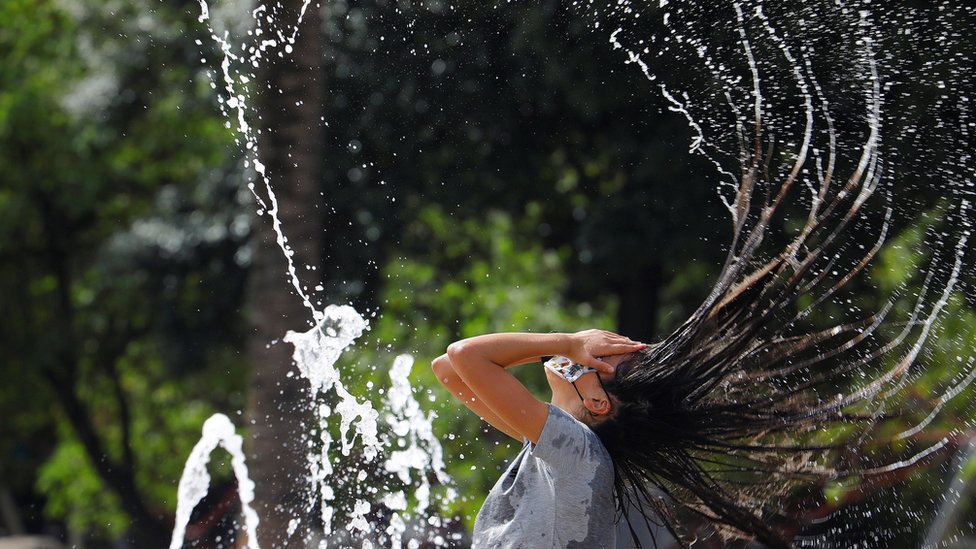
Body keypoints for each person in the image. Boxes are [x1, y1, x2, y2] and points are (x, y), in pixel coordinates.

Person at [432, 330, 645, 549]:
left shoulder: (578, 448)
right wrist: (557, 351)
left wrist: (568, 344)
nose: (584, 354)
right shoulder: (562, 451)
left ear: (598, 401)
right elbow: (447, 369)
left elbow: (464, 354)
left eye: (597, 358)